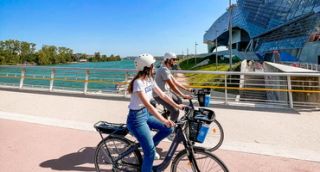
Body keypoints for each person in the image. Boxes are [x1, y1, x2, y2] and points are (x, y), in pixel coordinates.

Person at [126, 53, 185, 172]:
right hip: (136, 119)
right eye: (153, 65)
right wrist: (164, 120)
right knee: (151, 153)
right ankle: (148, 151)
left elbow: (162, 94)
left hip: (145, 115)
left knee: (168, 129)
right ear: (147, 67)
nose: (154, 67)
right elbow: (148, 105)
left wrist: (176, 105)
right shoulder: (138, 83)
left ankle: (147, 146)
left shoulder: (149, 79)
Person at [153, 52, 192, 122]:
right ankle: (170, 129)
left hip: (167, 92)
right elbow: (172, 86)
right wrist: (183, 95)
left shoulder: (166, 69)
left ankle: (167, 115)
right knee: (175, 111)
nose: (175, 61)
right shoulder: (163, 70)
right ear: (168, 60)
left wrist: (187, 89)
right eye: (173, 59)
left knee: (179, 101)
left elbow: (175, 82)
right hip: (159, 95)